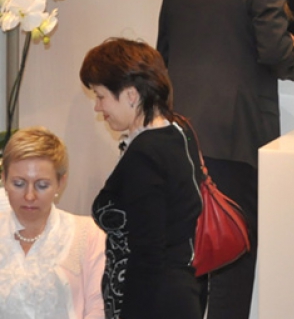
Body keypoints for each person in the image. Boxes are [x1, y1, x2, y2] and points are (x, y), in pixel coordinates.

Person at [158, 0, 294, 319]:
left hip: (181, 136)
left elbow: (166, 55)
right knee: (234, 253)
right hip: (235, 138)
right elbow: (274, 54)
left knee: (190, 253)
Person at [82, 38, 205, 319]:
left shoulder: (145, 154)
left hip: (152, 303)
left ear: (131, 95)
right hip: (179, 295)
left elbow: (148, 254)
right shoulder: (178, 132)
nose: (98, 107)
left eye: (101, 96)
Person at [0, 127, 105, 319]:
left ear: (60, 183)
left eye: (42, 185)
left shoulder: (87, 234)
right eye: (18, 184)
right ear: (3, 179)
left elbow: (98, 308)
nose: (29, 196)